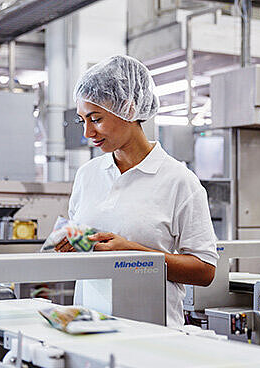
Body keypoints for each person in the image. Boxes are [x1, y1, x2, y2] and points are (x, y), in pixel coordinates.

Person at [57, 55, 218, 328]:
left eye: (96, 119)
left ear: (128, 109)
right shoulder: (88, 175)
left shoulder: (179, 181)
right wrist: (71, 243)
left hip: (152, 333)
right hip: (89, 329)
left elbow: (204, 271)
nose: (87, 132)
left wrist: (134, 253)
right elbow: (84, 249)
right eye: (82, 120)